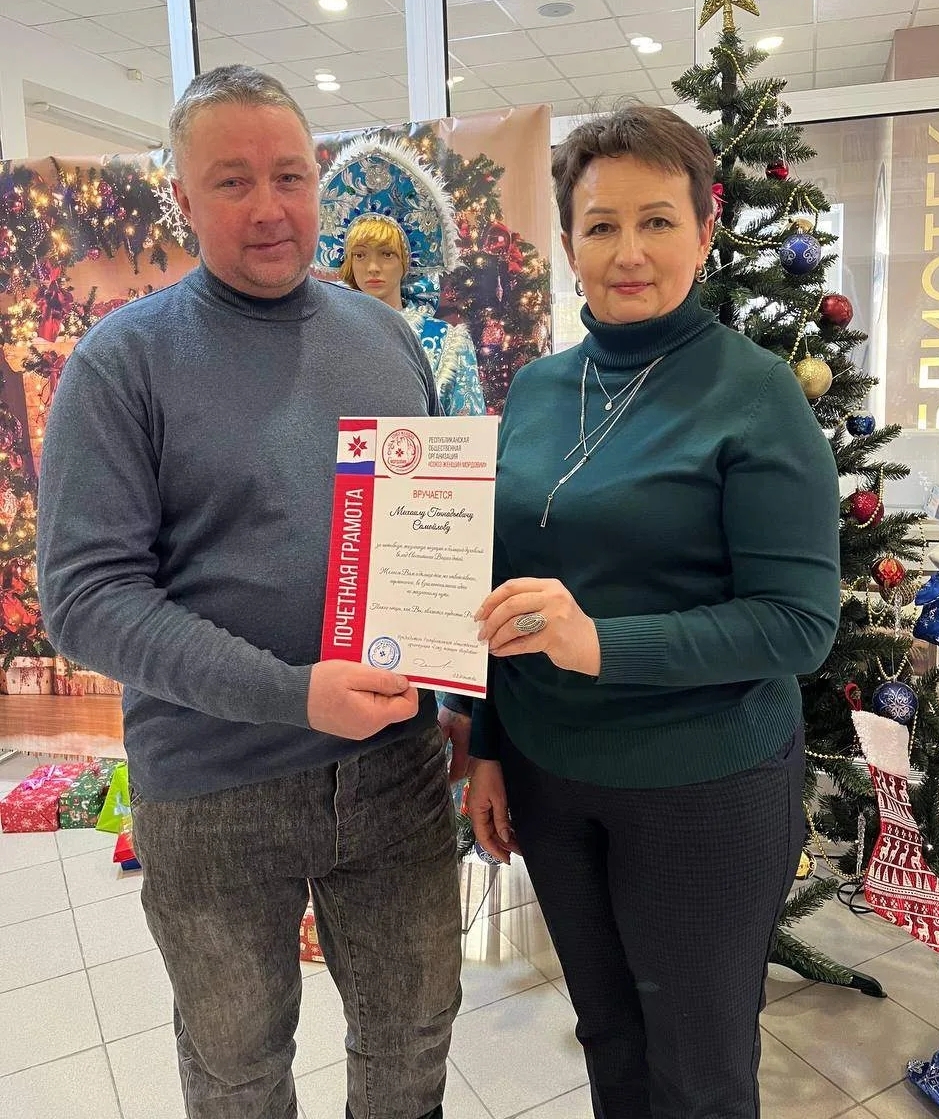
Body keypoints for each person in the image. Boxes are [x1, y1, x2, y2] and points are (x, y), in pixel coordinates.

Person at [36, 65, 462, 1119]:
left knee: (412, 1041)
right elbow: (86, 598)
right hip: (212, 787)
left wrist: (456, 692)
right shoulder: (121, 363)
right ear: (182, 197)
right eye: (232, 181)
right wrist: (294, 693)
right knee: (239, 1070)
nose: (270, 207)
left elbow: (429, 539)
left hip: (395, 771)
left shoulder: (387, 339)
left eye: (290, 175)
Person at [445, 103, 841, 1118]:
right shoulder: (538, 389)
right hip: (550, 777)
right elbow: (504, 586)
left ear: (705, 232)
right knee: (610, 1034)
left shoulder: (755, 394)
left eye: (658, 220)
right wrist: (488, 743)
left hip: (702, 786)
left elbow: (798, 623)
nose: (629, 252)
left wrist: (599, 643)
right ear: (569, 243)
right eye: (602, 224)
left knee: (699, 1070)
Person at [316, 135, 486, 417]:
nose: (373, 267)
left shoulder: (445, 342)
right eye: (360, 255)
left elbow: (469, 432)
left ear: (406, 261)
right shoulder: (327, 339)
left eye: (386, 254)